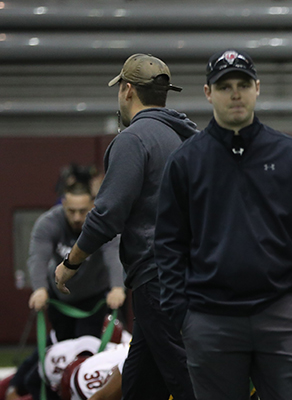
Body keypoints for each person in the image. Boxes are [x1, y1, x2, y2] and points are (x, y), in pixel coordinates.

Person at [154, 49, 292, 400]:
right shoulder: (186, 161)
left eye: (243, 84)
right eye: (224, 86)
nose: (235, 93)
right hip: (209, 319)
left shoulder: (290, 154)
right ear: (208, 93)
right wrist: (182, 314)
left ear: (257, 89)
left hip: (281, 314)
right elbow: (168, 244)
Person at [53, 53, 197, 400]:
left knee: (188, 380)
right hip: (190, 273)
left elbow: (107, 214)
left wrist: (71, 263)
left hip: (158, 278)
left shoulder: (133, 140)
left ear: (127, 90)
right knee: (140, 384)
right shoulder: (190, 137)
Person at [28, 183, 124, 341]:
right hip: (59, 297)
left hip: (93, 296)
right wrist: (39, 288)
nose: (77, 218)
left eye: (82, 211)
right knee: (63, 344)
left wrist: (118, 287)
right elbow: (38, 258)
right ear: (63, 204)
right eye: (71, 211)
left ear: (92, 205)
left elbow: (113, 256)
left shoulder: (103, 223)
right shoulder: (47, 223)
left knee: (86, 343)